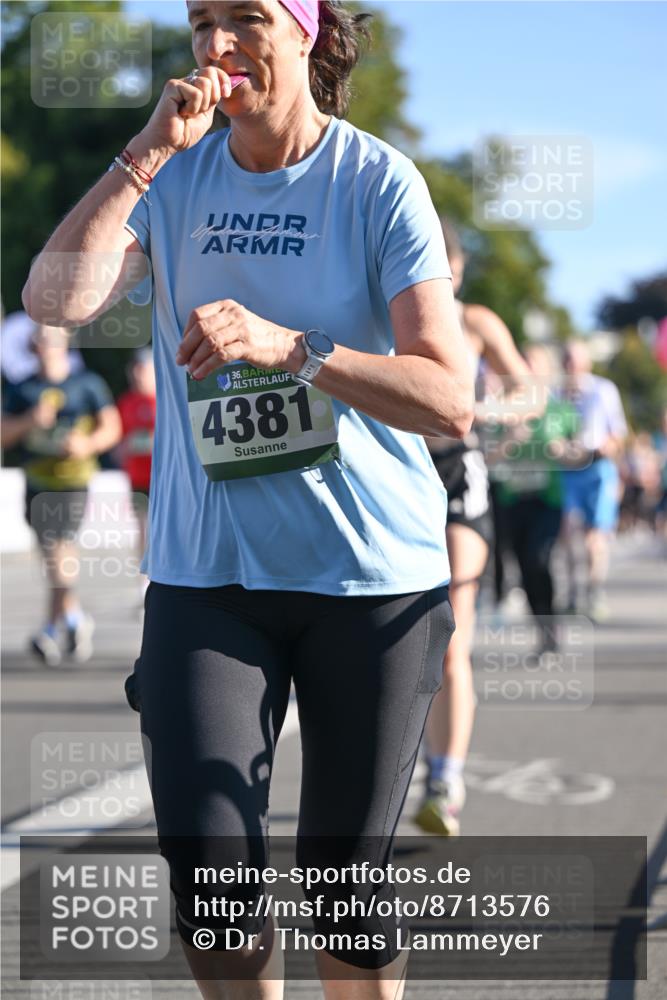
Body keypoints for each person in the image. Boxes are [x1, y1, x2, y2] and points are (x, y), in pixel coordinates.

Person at [22, 2, 474, 997]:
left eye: (245, 18)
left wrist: (290, 348)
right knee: (213, 895)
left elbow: (449, 398)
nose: (217, 45)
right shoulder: (173, 176)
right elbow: (54, 300)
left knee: (345, 894)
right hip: (206, 580)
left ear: (306, 29)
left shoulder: (375, 180)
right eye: (200, 22)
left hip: (368, 580)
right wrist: (145, 151)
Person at [414, 220, 534, 837]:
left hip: (459, 473)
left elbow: (530, 393)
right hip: (398, 474)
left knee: (450, 632)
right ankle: (401, 765)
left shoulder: (476, 321)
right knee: (393, 637)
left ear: (457, 273)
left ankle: (445, 780)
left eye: (447, 274)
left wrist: (483, 409)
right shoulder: (385, 308)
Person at [1, 323, 121, 665]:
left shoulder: (87, 384)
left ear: (66, 342)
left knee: (59, 546)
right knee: (52, 555)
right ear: (32, 347)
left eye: (52, 338)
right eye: (39, 339)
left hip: (73, 480)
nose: (46, 344)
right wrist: (30, 421)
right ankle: (73, 617)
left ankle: (52, 628)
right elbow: (3, 434)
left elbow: (112, 428)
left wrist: (87, 444)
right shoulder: (22, 388)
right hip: (37, 481)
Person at [490, 345, 579, 657]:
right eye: (523, 363)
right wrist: (508, 441)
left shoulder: (561, 411)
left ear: (547, 372)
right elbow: (485, 458)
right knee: (524, 566)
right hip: (512, 499)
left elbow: (578, 453)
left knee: (539, 557)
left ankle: (551, 624)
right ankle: (543, 633)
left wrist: (564, 451)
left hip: (547, 500)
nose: (527, 370)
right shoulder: (503, 410)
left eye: (534, 365)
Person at [558, 340, 628, 620]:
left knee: (594, 537)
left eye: (576, 360)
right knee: (567, 532)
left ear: (586, 362)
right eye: (567, 360)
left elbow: (618, 434)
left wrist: (605, 448)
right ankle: (573, 591)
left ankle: (594, 590)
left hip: (598, 469)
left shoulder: (603, 390)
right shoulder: (556, 393)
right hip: (567, 470)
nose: (572, 366)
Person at [115, 347, 156, 600]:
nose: (138, 376)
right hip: (137, 478)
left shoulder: (165, 398)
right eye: (135, 370)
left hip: (164, 479)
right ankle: (144, 580)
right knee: (143, 530)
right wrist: (126, 446)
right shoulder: (126, 403)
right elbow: (117, 441)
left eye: (143, 370)